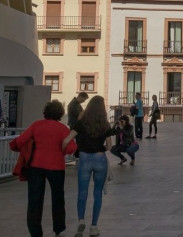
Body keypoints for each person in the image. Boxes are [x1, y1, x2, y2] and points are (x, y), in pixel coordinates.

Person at [9, 100, 76, 237]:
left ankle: (35, 231)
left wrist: (14, 146)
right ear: (60, 114)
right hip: (56, 167)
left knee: (34, 199)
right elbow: (70, 148)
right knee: (58, 198)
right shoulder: (63, 129)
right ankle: (58, 227)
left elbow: (20, 141)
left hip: (36, 166)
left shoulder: (36, 125)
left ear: (45, 112)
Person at [62, 95, 113, 236]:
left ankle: (80, 220)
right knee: (97, 193)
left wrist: (63, 151)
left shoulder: (81, 122)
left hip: (84, 158)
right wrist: (101, 149)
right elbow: (109, 146)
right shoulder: (105, 124)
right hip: (99, 159)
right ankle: (94, 226)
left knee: (82, 192)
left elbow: (67, 140)